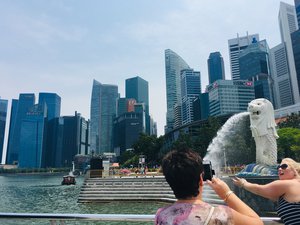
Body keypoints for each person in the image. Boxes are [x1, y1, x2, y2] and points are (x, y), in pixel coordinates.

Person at [155, 149, 263, 225]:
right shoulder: (220, 214)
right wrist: (227, 194)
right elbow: (258, 223)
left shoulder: (161, 215)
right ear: (201, 179)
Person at [233, 158, 300, 225]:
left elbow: (259, 189)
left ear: (295, 170)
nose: (279, 169)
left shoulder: (288, 184)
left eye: (284, 166)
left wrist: (243, 183)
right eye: (278, 167)